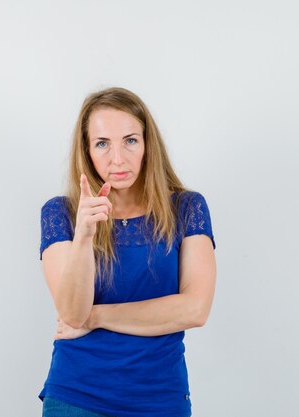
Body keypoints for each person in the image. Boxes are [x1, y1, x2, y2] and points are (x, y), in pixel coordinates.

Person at [38, 87, 216, 417]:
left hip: (160, 397)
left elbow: (195, 309)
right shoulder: (60, 213)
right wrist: (84, 236)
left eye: (130, 140)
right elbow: (73, 314)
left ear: (148, 145)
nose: (117, 158)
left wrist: (98, 316)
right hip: (77, 395)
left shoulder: (187, 208)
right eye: (102, 143)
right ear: (86, 150)